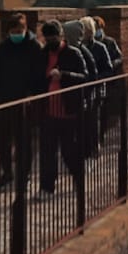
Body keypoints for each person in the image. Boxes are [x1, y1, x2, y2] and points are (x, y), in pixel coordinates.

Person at [0, 13, 43, 190]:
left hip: (25, 100)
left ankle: (24, 175)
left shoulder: (34, 46)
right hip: (4, 99)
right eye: (13, 31)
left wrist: (31, 95)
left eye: (19, 30)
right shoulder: (3, 47)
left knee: (23, 141)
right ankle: (7, 172)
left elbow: (39, 74)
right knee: (1, 138)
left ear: (25, 29)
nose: (16, 34)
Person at [38, 19, 89, 193]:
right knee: (47, 153)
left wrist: (64, 75)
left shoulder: (73, 53)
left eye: (53, 38)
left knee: (69, 152)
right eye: (47, 38)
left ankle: (79, 180)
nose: (49, 41)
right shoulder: (42, 55)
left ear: (60, 36)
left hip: (68, 112)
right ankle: (47, 187)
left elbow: (85, 77)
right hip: (48, 112)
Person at [93, 16, 124, 143]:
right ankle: (97, 136)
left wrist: (111, 64)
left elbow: (120, 57)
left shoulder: (109, 42)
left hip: (108, 79)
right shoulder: (89, 43)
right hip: (96, 79)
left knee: (105, 110)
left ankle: (102, 133)